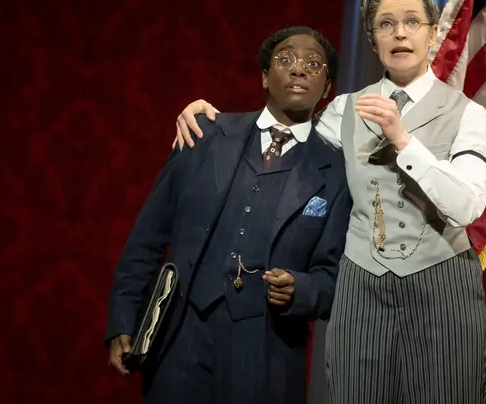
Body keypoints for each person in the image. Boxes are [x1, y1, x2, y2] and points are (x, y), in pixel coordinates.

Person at [172, 0, 486, 404]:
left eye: (413, 21)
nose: (399, 32)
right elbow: (282, 143)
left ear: (433, 33)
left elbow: (468, 205)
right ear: (371, 39)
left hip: (442, 287)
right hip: (360, 288)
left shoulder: (469, 114)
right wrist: (216, 124)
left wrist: (404, 140)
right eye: (385, 24)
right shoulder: (342, 109)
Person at [104, 26, 351, 404]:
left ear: (327, 87)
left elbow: (334, 278)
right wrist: (124, 317)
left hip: (266, 353)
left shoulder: (335, 173)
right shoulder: (203, 135)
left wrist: (301, 289)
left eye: (313, 64)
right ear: (265, 76)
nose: (299, 69)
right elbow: (147, 237)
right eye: (285, 60)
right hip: (180, 338)